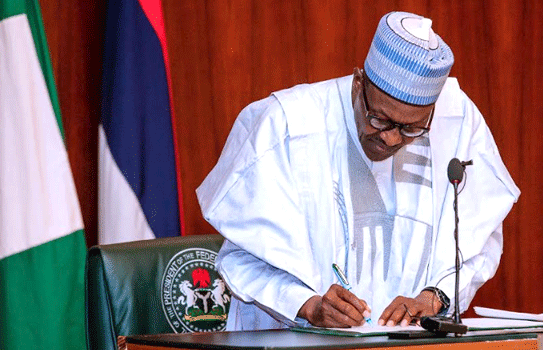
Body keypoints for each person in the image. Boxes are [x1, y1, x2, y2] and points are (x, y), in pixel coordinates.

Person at [197, 11, 520, 331]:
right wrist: (308, 305)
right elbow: (242, 257)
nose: (392, 139)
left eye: (412, 129)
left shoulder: (457, 119)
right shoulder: (285, 123)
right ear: (357, 83)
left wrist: (436, 296)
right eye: (380, 119)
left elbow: (480, 240)